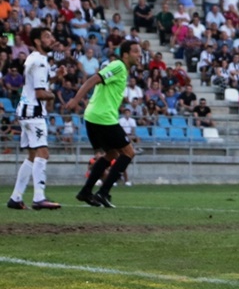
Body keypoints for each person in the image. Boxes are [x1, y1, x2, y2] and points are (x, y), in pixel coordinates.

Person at [65, 40, 142, 208]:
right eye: (136, 51)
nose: (140, 54)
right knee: (129, 152)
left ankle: (86, 192)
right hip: (103, 117)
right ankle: (103, 192)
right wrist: (76, 100)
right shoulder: (118, 66)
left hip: (94, 116)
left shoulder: (122, 70)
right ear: (125, 54)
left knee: (112, 155)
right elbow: (93, 79)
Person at [7, 28, 61, 210]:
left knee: (31, 156)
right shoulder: (39, 61)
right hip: (34, 112)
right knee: (43, 153)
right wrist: (52, 95)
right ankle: (39, 198)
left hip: (25, 111)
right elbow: (39, 93)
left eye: (51, 35)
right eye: (47, 36)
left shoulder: (34, 58)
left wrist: (54, 79)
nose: (51, 39)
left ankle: (15, 198)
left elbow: (36, 85)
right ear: (37, 41)